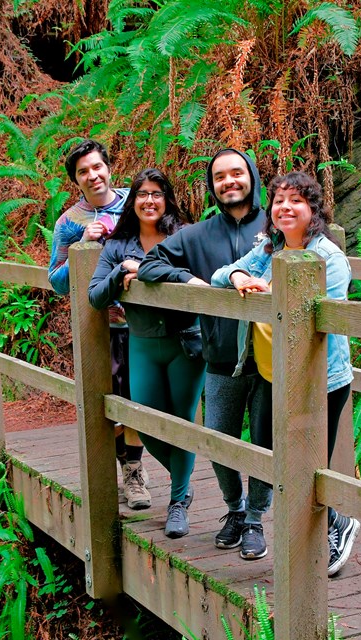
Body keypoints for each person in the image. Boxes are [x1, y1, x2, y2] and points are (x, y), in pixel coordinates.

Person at [211, 170, 360, 575]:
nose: (285, 207)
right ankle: (323, 531)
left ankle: (337, 525)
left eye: (296, 200)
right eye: (279, 200)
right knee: (288, 465)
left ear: (313, 209)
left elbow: (314, 316)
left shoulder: (329, 258)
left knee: (310, 466)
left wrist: (267, 289)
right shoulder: (269, 247)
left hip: (320, 380)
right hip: (278, 376)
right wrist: (242, 276)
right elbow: (219, 275)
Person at [138, 150, 271, 559]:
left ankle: (255, 520)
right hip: (218, 355)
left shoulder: (276, 223)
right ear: (211, 186)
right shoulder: (197, 235)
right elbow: (150, 265)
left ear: (251, 176)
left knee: (265, 443)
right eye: (219, 177)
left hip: (271, 360)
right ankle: (234, 510)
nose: (229, 181)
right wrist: (190, 280)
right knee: (218, 439)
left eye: (236, 173)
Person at [88, 168, 206, 537]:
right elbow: (95, 296)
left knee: (182, 423)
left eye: (157, 193)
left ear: (167, 199)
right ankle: (182, 483)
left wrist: (150, 271)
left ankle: (177, 503)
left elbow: (199, 279)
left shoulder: (183, 237)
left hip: (184, 341)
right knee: (147, 422)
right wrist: (122, 270)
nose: (150, 200)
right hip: (141, 342)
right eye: (142, 194)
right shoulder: (117, 246)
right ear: (132, 201)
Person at [48, 139, 151, 510]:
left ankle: (137, 467)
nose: (93, 176)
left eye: (97, 167)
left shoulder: (138, 201)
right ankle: (133, 472)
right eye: (83, 172)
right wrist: (82, 247)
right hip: (101, 327)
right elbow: (56, 281)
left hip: (146, 321)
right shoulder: (68, 223)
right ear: (75, 180)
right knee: (112, 401)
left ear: (109, 167)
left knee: (141, 398)